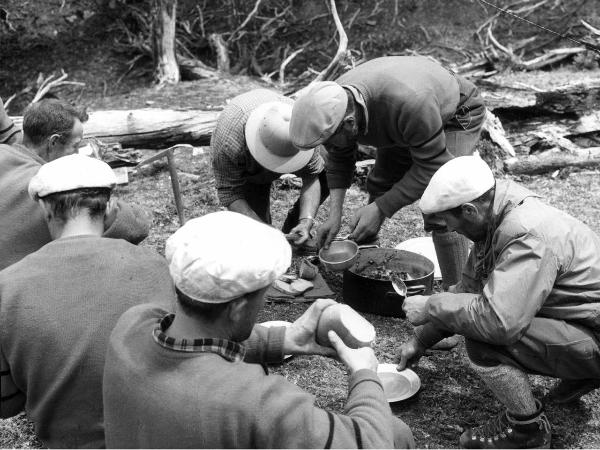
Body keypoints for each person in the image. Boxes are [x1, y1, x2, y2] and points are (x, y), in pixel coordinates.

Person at [103, 211, 415, 449]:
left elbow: (196, 343)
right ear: (238, 308)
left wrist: (285, 338)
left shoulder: (131, 327)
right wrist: (364, 375)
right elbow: (371, 443)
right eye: (261, 296)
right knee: (395, 432)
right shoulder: (258, 402)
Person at [397, 155, 600, 449]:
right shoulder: (496, 210)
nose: (453, 233)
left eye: (449, 226)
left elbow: (497, 323)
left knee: (484, 340)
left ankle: (526, 430)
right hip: (586, 319)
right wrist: (421, 340)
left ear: (468, 210)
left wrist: (430, 305)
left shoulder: (525, 233)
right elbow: (470, 287)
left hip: (594, 330)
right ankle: (582, 372)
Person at [0, 154, 175, 448]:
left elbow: (5, 403)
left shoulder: (7, 287)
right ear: (109, 209)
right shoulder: (156, 266)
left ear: (44, 209)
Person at [289, 56, 486, 288]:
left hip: (456, 113)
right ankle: (365, 254)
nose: (330, 146)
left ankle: (458, 293)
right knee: (381, 182)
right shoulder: (335, 105)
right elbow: (340, 156)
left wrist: (381, 209)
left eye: (331, 141)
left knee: (444, 206)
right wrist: (335, 214)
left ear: (351, 123)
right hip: (405, 115)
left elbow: (433, 165)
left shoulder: (409, 104)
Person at [0, 98, 151, 270]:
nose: (78, 153)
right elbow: (137, 225)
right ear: (53, 142)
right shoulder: (54, 186)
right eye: (76, 146)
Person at [211, 88, 329, 245]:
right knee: (259, 234)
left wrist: (306, 220)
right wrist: (265, 229)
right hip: (248, 168)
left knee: (327, 173)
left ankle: (295, 230)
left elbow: (311, 176)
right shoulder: (229, 143)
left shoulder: (303, 129)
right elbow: (231, 193)